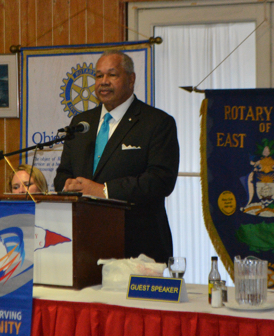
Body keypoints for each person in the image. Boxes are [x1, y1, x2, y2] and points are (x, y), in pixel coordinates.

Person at [54, 51, 180, 263]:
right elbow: (63, 172)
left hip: (138, 246)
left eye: (112, 75)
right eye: (99, 76)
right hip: (84, 245)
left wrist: (103, 191)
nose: (103, 82)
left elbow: (160, 181)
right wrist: (67, 184)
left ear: (131, 79)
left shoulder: (157, 123)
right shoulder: (82, 122)